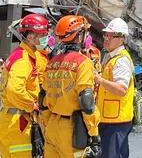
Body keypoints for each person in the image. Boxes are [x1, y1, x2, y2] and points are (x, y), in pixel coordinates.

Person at [43, 16, 101, 158]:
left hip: (51, 125)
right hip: (72, 130)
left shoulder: (51, 63)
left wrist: (46, 124)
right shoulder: (83, 63)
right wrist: (94, 135)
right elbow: (87, 102)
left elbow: (43, 99)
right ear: (79, 36)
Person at [0, 13, 49, 158]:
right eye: (42, 34)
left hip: (9, 119)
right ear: (30, 37)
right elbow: (14, 89)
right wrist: (32, 105)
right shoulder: (23, 59)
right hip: (18, 122)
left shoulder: (22, 55)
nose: (46, 38)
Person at [95, 18, 135, 158]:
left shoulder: (121, 60)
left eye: (112, 36)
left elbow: (121, 89)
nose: (107, 39)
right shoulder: (111, 56)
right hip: (110, 118)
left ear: (122, 39)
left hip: (116, 120)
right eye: (106, 35)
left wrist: (100, 80)